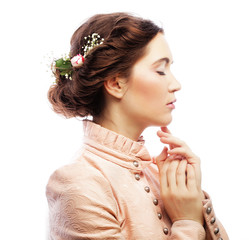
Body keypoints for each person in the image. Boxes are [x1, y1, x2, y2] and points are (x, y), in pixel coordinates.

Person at [46, 12, 229, 240]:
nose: (176, 84)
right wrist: (188, 223)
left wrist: (194, 198)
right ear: (115, 83)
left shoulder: (158, 173)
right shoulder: (78, 183)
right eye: (161, 70)